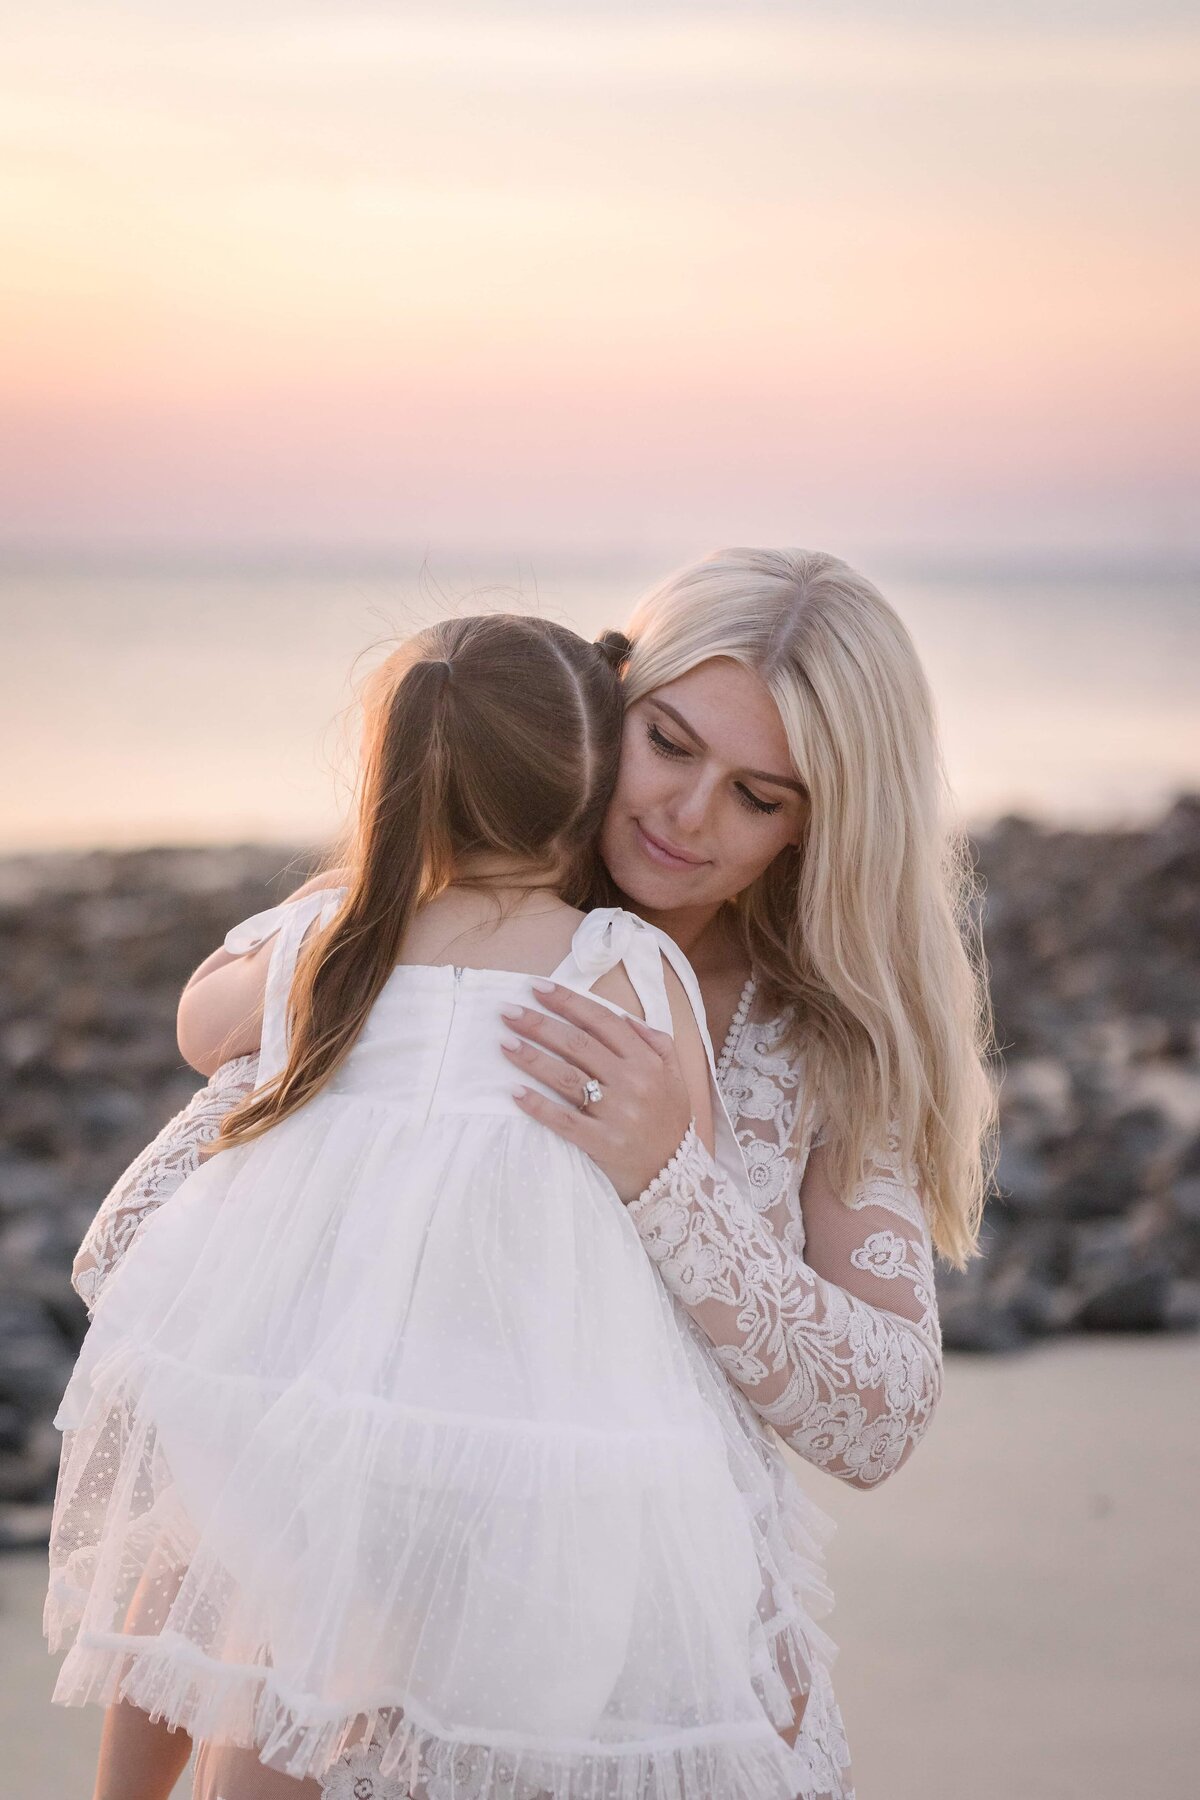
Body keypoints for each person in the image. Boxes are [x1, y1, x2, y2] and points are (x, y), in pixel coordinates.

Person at [68, 547, 997, 1800]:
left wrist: (669, 1178)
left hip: (670, 1696)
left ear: (822, 821)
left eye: (759, 797)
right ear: (605, 705)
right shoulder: (402, 937)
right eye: (667, 743)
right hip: (350, 1689)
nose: (686, 814)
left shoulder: (818, 1038)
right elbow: (181, 1306)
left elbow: (881, 1416)